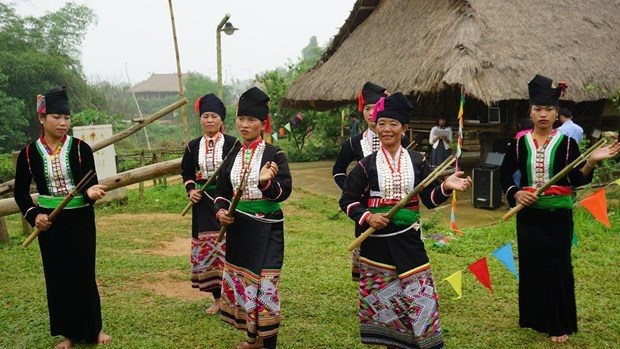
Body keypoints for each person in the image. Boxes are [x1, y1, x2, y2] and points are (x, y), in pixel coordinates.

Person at [339, 92, 472, 349]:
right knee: (386, 301)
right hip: (376, 243)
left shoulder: (418, 160)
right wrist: (368, 216)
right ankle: (393, 343)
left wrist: (446, 185)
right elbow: (348, 200)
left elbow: (430, 199)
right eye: (382, 123)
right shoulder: (366, 165)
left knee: (420, 294)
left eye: (393, 124)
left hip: (409, 241)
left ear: (404, 129)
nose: (386, 129)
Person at [499, 74, 619, 343]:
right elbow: (505, 175)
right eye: (538, 109)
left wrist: (590, 162)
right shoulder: (519, 143)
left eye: (549, 109)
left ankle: (557, 323)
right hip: (529, 215)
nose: (543, 114)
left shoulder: (567, 144)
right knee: (531, 265)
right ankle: (533, 317)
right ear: (530, 112)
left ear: (557, 114)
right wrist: (516, 193)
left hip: (558, 217)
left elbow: (577, 179)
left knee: (557, 266)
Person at [13, 86, 111, 349]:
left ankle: (94, 329)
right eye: (57, 117)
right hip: (50, 223)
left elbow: (91, 185)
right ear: (42, 119)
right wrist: (35, 215)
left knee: (83, 272)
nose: (63, 122)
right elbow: (21, 193)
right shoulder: (28, 154)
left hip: (80, 219)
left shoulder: (81, 149)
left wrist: (90, 192)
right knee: (58, 275)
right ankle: (68, 333)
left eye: (67, 118)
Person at [215, 87, 292, 349]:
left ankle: (269, 344)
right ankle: (252, 340)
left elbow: (284, 191)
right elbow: (222, 191)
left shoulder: (274, 154)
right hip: (239, 230)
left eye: (252, 120)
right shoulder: (233, 153)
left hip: (267, 229)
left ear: (263, 124)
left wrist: (266, 183)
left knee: (266, 286)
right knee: (247, 284)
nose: (245, 125)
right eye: (241, 119)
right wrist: (222, 212)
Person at [332, 81, 409, 282]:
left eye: (375, 108)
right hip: (365, 209)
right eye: (367, 108)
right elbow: (338, 171)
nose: (370, 112)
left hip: (395, 206)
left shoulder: (400, 138)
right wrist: (352, 190)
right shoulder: (354, 142)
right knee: (369, 250)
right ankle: (373, 286)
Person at [181, 93, 238, 315]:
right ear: (201, 119)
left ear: (221, 120)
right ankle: (217, 299)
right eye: (205, 116)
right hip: (203, 204)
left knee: (229, 248)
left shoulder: (233, 145)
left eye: (214, 116)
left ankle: (233, 298)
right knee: (209, 250)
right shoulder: (192, 146)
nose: (209, 120)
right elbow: (186, 172)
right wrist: (191, 190)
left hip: (228, 203)